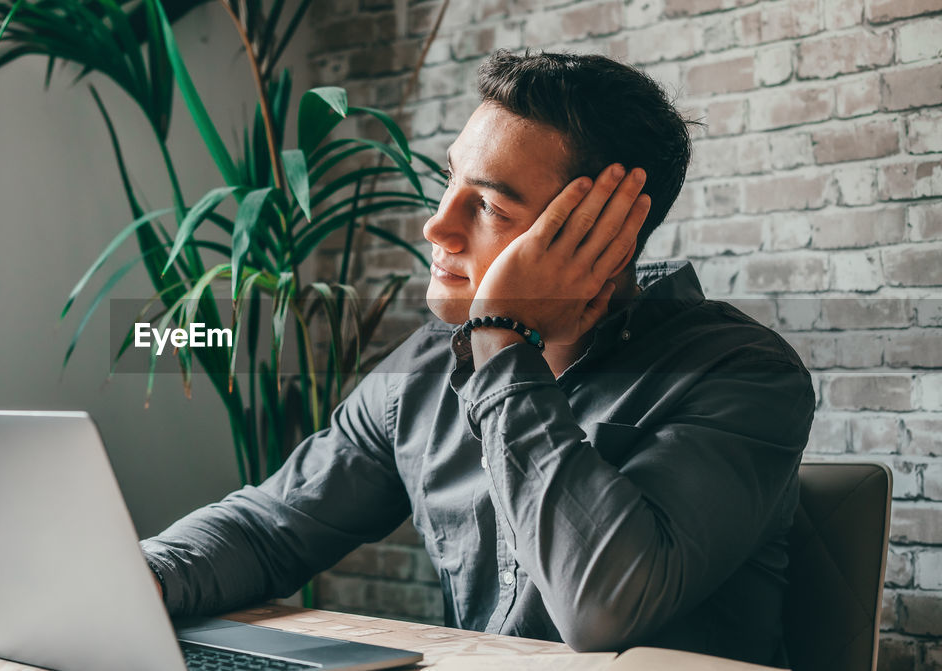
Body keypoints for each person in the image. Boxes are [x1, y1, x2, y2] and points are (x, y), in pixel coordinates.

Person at [140, 50, 815, 667]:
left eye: (488, 204)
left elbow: (601, 605)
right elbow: (272, 528)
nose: (437, 224)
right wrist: (138, 574)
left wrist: (499, 340)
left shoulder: (745, 374)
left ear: (602, 236)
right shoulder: (427, 367)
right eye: (448, 181)